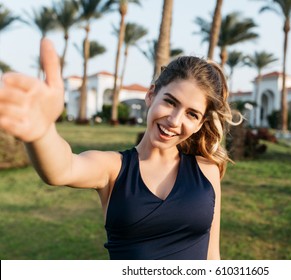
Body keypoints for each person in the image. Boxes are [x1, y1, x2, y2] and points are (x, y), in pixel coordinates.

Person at [0, 39, 240, 260]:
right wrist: (42, 132)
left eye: (191, 114)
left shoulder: (207, 171)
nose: (175, 120)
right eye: (170, 101)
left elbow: (212, 257)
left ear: (199, 124)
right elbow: (62, 168)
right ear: (150, 95)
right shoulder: (113, 169)